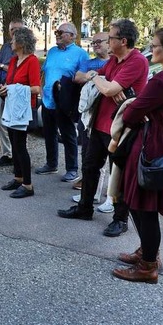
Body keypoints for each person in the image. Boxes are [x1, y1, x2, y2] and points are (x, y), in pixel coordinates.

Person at [113, 27, 163, 283]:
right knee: (140, 202)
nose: (151, 49)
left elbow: (132, 113)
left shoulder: (162, 79)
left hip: (153, 144)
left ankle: (148, 265)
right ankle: (147, 251)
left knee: (143, 205)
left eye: (155, 45)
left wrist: (131, 108)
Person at [58, 19, 148, 238]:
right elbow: (98, 81)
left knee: (120, 174)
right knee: (90, 167)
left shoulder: (136, 61)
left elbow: (109, 89)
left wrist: (100, 80)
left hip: (121, 127)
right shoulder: (115, 60)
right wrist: (100, 79)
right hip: (99, 124)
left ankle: (120, 220)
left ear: (123, 41)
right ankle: (84, 208)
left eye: (111, 38)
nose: (108, 41)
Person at [36, 22, 89, 182]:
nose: (57, 34)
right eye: (56, 31)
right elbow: (44, 72)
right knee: (49, 133)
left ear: (72, 36)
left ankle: (72, 169)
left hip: (65, 101)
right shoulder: (52, 51)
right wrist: (41, 88)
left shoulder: (81, 54)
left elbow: (84, 78)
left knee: (68, 134)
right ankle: (51, 164)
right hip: (47, 100)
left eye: (61, 32)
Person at [0, 28, 41, 198]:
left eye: (14, 40)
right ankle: (18, 177)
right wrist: (3, 89)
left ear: (22, 43)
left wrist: (14, 89)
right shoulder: (14, 61)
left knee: (20, 146)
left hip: (23, 109)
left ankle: (28, 185)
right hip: (12, 107)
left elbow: (36, 88)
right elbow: (10, 83)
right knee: (14, 145)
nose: (11, 42)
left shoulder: (32, 61)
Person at [72, 32, 112, 210]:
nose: (95, 45)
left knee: (112, 163)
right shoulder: (89, 62)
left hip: (108, 118)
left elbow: (111, 88)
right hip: (89, 116)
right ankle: (90, 195)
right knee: (89, 157)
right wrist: (95, 77)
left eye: (99, 42)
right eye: (93, 42)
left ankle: (110, 198)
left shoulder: (114, 63)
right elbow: (78, 77)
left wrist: (93, 77)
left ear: (109, 43)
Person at [0, 19, 25, 167]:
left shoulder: (25, 48)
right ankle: (7, 154)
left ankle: (18, 156)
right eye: (13, 30)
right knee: (1, 123)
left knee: (15, 126)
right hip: (1, 89)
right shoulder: (6, 47)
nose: (15, 32)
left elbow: (20, 69)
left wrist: (3, 67)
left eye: (18, 29)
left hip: (15, 91)